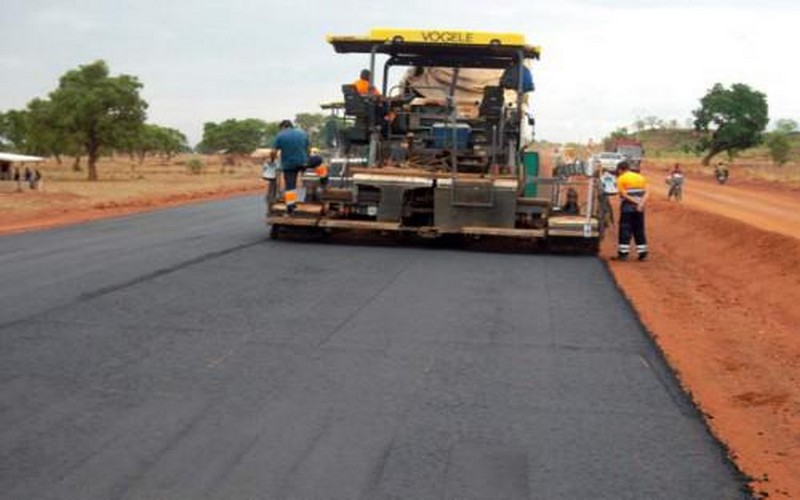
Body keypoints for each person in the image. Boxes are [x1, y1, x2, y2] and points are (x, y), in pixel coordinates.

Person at [270, 120, 310, 215]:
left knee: (290, 186)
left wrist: (272, 160)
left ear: (283, 127)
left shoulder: (280, 136)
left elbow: (273, 152)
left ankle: (291, 207)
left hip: (289, 164)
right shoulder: (303, 133)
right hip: (303, 162)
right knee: (308, 182)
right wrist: (307, 159)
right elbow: (308, 149)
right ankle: (310, 198)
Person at [615, 160, 649, 261]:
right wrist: (641, 203)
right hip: (640, 209)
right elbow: (647, 192)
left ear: (620, 170)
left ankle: (623, 254)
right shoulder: (641, 177)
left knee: (625, 229)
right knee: (639, 229)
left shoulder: (621, 179)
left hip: (627, 208)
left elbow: (624, 195)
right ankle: (643, 253)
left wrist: (635, 202)